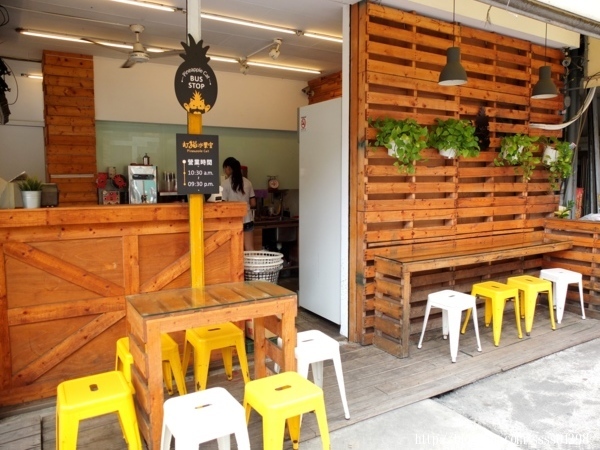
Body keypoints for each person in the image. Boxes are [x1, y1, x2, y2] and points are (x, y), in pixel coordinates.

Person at [221, 157, 256, 251]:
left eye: (225, 168)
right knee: (249, 248)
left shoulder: (225, 184)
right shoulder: (248, 182)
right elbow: (253, 203)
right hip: (247, 219)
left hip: (233, 220)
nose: (224, 171)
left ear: (228, 168)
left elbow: (223, 205)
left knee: (235, 250)